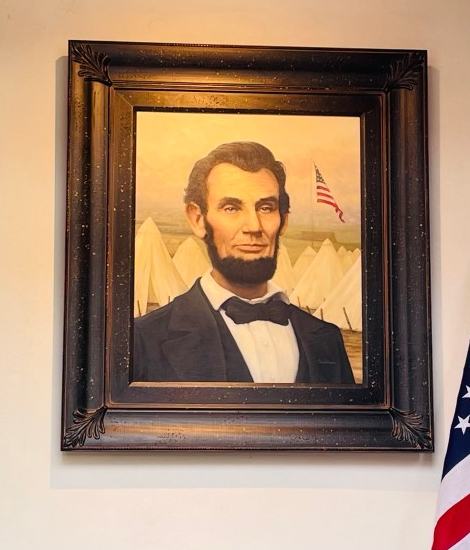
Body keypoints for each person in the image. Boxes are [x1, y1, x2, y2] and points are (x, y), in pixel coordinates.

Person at [133, 141, 354, 384]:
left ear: (283, 220)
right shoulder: (142, 339)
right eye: (231, 208)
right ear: (198, 220)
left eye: (266, 208)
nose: (253, 226)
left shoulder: (327, 339)